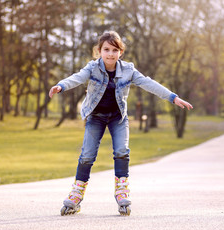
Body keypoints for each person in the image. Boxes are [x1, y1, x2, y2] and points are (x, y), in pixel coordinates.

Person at [49, 31, 193, 216]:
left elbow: (150, 84)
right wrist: (61, 86)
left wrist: (173, 97)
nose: (110, 54)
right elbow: (77, 77)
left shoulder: (128, 70)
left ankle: (122, 192)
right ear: (99, 51)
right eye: (106, 49)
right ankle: (76, 195)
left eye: (114, 50)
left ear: (121, 52)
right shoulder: (92, 68)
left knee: (121, 151)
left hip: (118, 117)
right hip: (96, 116)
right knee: (87, 155)